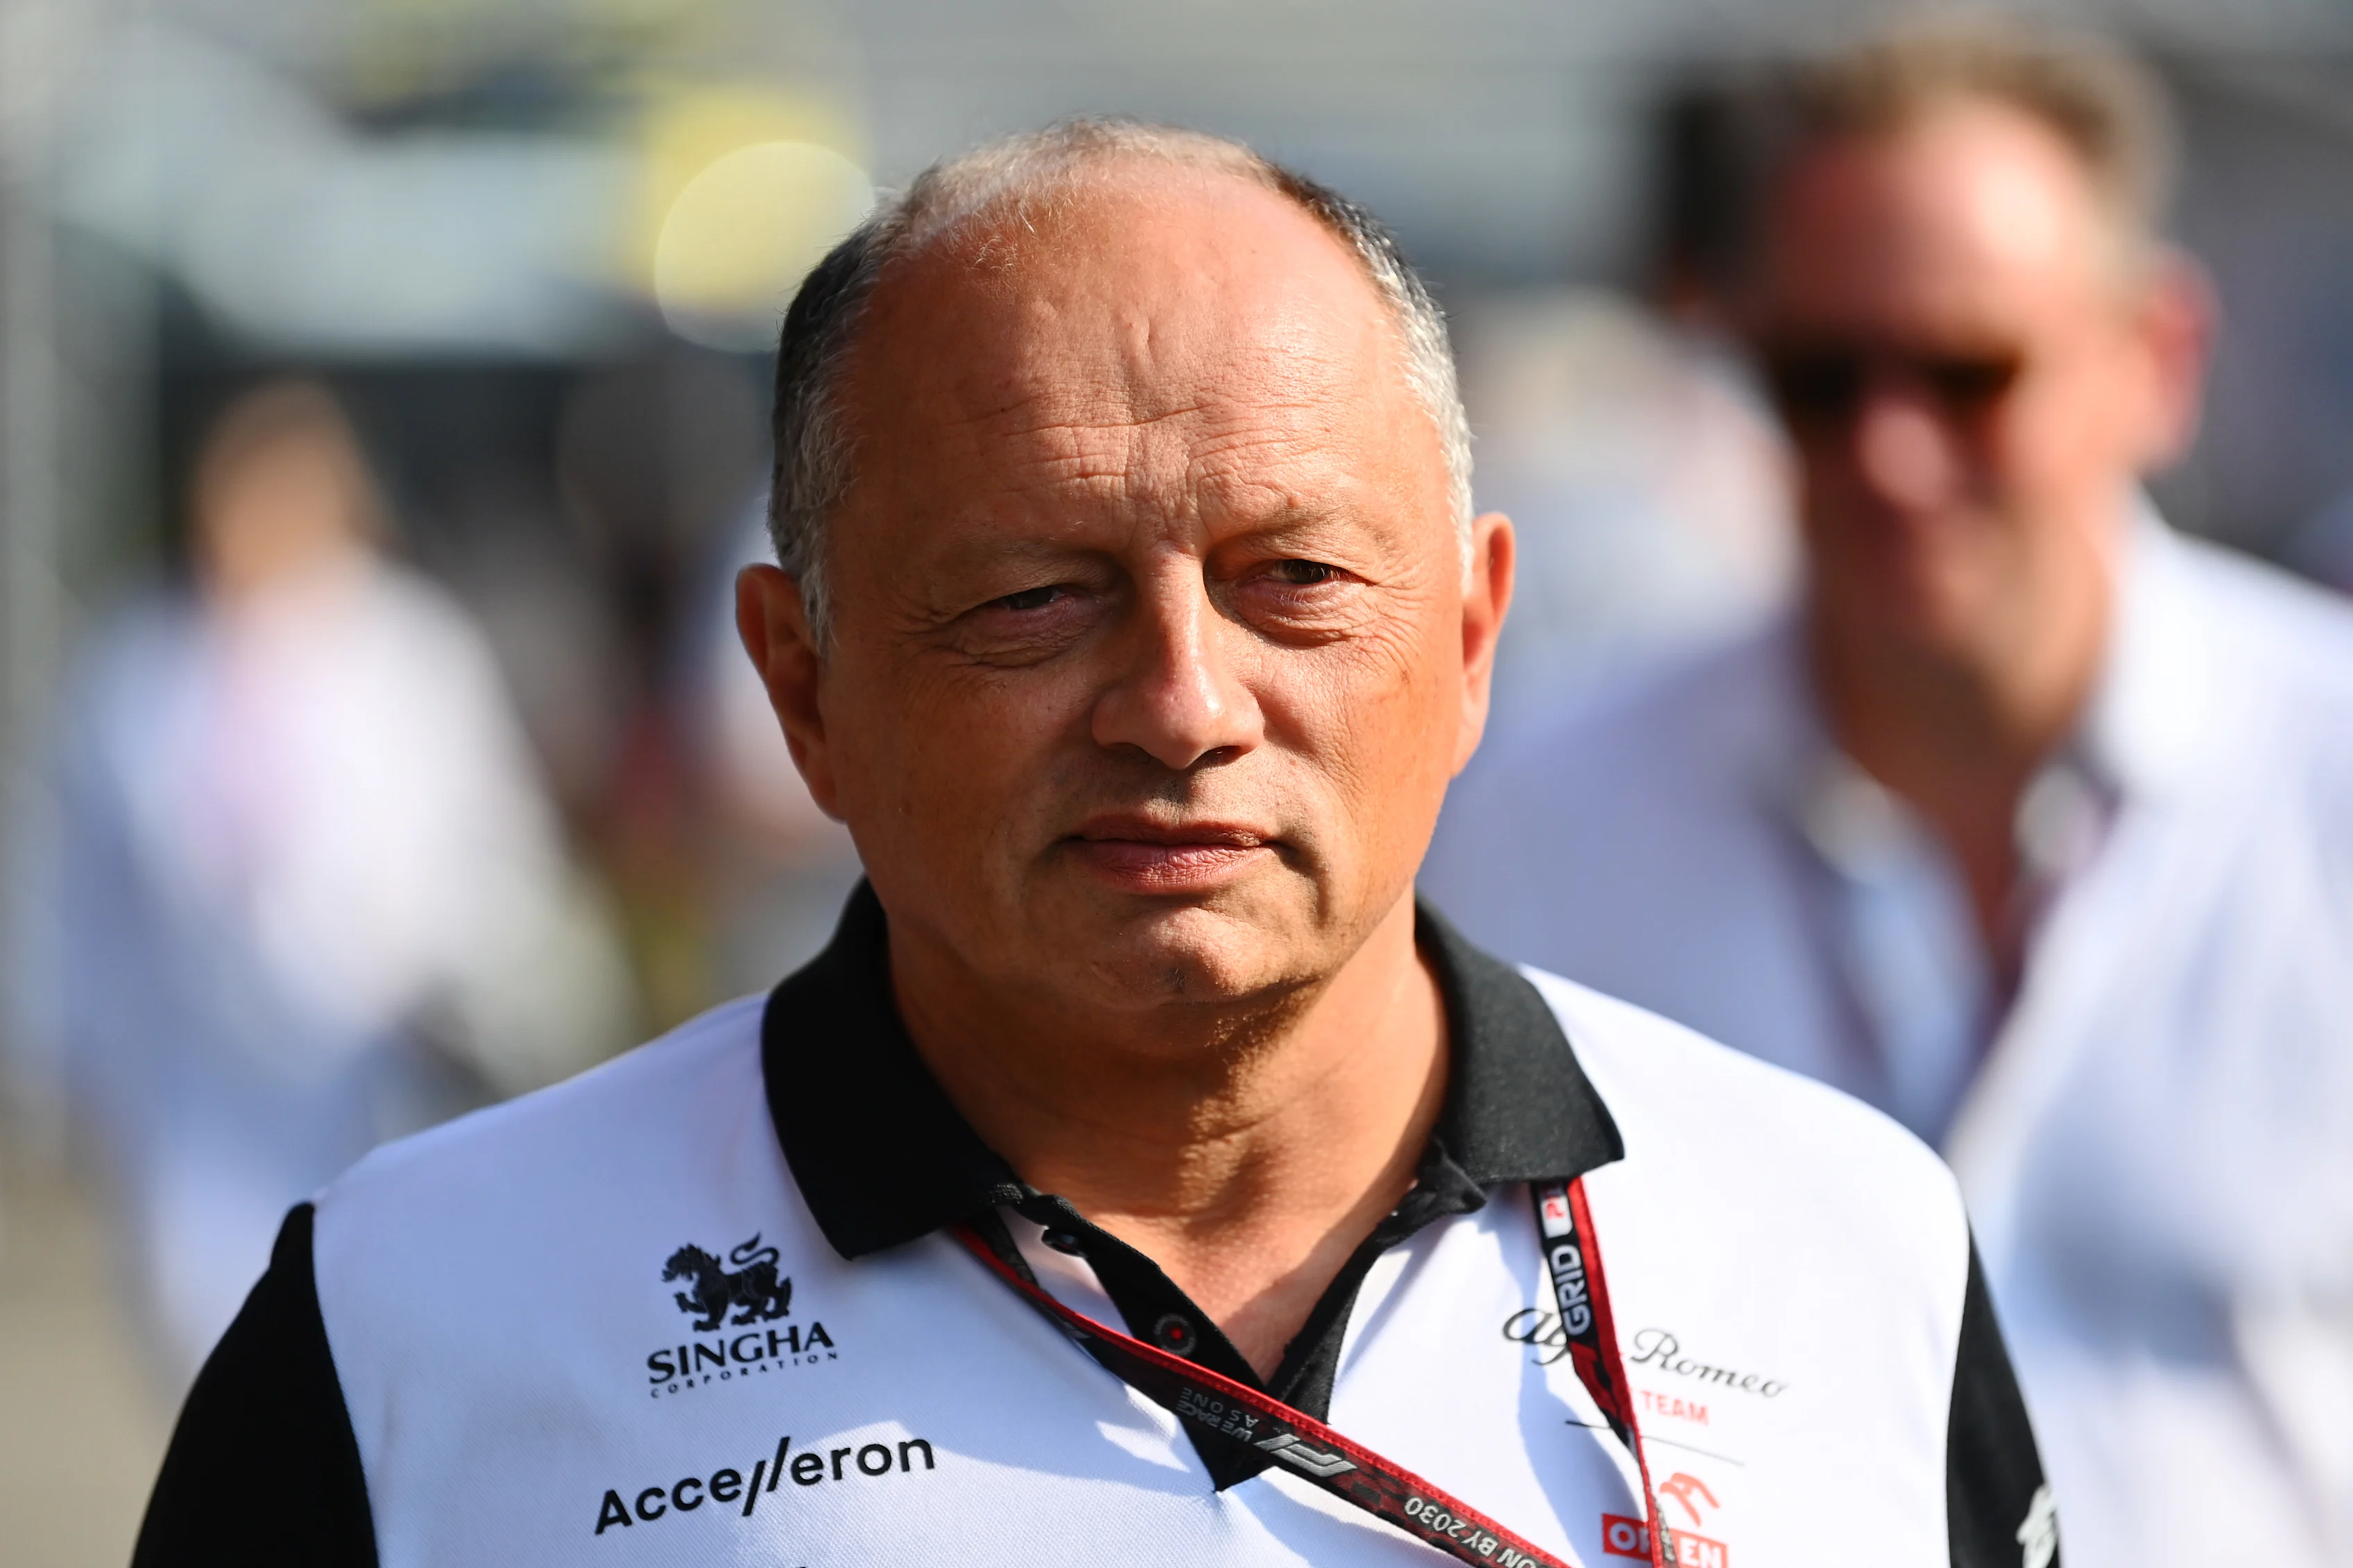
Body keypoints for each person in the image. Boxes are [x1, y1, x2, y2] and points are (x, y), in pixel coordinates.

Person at [134, 123, 2051, 1568]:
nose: (1181, 699)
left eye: (1294, 579)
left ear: (1472, 641)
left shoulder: (1839, 1245)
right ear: (801, 686)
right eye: (1034, 601)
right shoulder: (420, 1322)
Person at [1425, 28, 2353, 1568]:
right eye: (1818, 378)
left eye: (1966, 372)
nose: (1890, 452)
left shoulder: (2325, 768)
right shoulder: (1537, 822)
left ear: (2158, 361)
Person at [10, 379, 631, 1386]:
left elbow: (490, 848)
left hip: (380, 1069)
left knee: (378, 1333)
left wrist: (496, 987)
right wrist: (57, 1056)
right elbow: (75, 878)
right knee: (212, 1347)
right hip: (193, 1085)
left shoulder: (408, 649)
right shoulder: (140, 661)